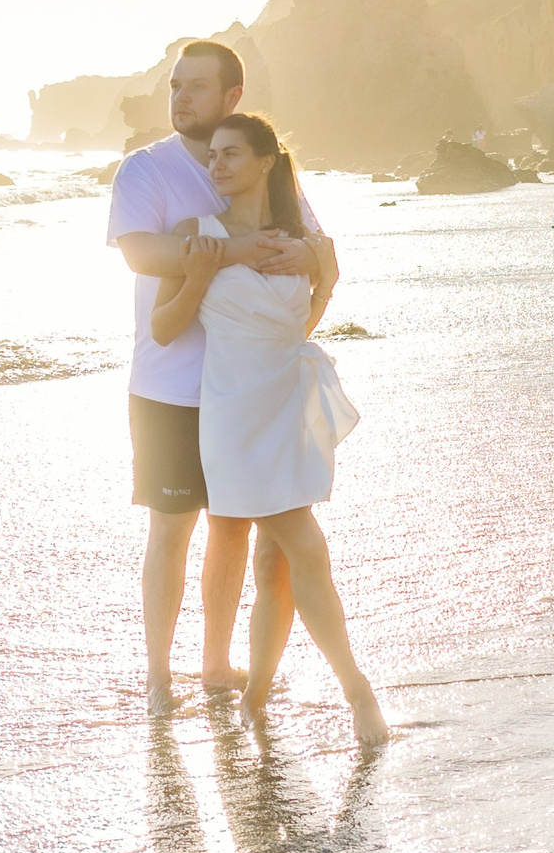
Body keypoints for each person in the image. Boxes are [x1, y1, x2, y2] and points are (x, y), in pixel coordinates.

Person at [149, 113, 385, 746]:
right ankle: (358, 692)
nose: (216, 165)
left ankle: (255, 696)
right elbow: (164, 330)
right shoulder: (195, 235)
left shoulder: (295, 241)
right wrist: (196, 277)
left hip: (284, 405)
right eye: (213, 155)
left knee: (276, 566)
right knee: (306, 548)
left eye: (231, 154)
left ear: (265, 163)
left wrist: (326, 280)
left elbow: (292, 329)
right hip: (230, 418)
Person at [106, 41, 325, 716]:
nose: (180, 99)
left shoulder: (261, 168)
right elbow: (141, 253)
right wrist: (233, 251)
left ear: (232, 96)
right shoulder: (145, 169)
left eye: (197, 87)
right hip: (169, 383)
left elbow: (310, 245)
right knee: (171, 529)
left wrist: (309, 259)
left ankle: (216, 663)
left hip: (247, 386)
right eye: (175, 85)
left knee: (232, 529)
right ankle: (157, 675)